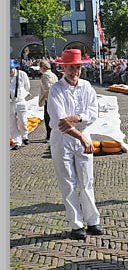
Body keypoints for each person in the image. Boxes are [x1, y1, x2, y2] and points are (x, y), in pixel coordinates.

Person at [46, 49, 102, 240]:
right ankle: (76, 224)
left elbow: (93, 113)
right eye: (71, 67)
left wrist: (77, 117)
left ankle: (93, 220)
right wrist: (81, 135)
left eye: (77, 67)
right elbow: (61, 122)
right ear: (63, 68)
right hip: (63, 140)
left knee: (87, 181)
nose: (75, 71)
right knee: (68, 182)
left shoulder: (87, 87)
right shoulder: (56, 90)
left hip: (81, 136)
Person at [9, 59, 31, 149]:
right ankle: (17, 141)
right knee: (11, 123)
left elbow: (27, 86)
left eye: (10, 69)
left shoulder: (22, 74)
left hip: (20, 101)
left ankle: (25, 136)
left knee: (23, 120)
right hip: (8, 102)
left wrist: (22, 95)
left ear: (13, 67)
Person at [39, 60, 59, 142]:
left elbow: (47, 89)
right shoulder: (53, 74)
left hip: (49, 99)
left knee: (48, 118)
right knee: (53, 117)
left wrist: (48, 100)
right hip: (55, 98)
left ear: (43, 68)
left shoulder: (45, 75)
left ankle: (49, 135)